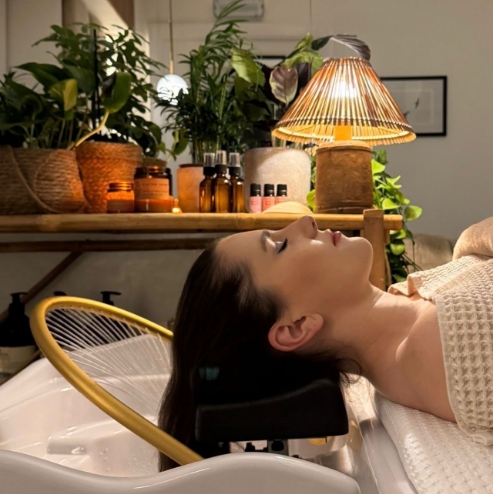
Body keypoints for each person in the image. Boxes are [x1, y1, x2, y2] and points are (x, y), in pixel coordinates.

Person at [159, 215, 493, 470]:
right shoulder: (443, 345)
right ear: (296, 327)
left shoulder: (416, 307)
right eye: (280, 245)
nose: (305, 221)